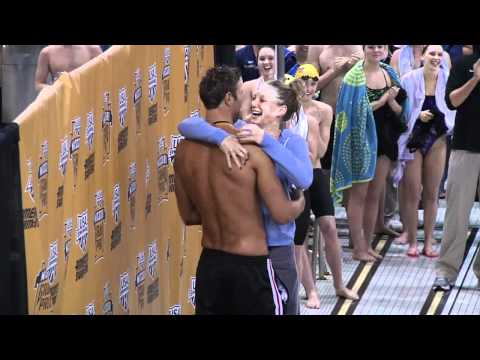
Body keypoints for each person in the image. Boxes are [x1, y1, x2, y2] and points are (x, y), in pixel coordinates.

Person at [174, 66, 305, 314]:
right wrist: (299, 203)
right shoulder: (251, 150)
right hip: (250, 268)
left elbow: (190, 216)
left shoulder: (183, 152)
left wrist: (221, 210)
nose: (249, 99)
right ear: (229, 98)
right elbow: (281, 213)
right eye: (244, 93)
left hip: (210, 264)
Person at [288, 65, 359, 306]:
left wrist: (310, 124)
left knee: (329, 226)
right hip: (297, 176)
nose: (308, 87)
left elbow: (320, 151)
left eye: (313, 82)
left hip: (316, 173)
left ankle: (340, 284)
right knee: (300, 236)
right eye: (304, 81)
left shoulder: (325, 111)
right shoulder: (287, 111)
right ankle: (312, 291)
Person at [331, 45, 409, 262]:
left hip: (384, 139)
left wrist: (391, 101)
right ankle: (358, 246)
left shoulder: (388, 73)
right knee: (359, 195)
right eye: (372, 47)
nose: (376, 50)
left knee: (375, 194)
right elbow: (350, 112)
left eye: (380, 47)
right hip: (360, 139)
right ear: (364, 49)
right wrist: (384, 100)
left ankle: (367, 243)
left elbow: (403, 108)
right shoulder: (354, 77)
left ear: (385, 49)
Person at [393, 45, 456, 257]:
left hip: (436, 140)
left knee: (431, 193)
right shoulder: (409, 79)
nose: (436, 58)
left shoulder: (448, 79)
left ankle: (428, 242)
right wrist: (417, 116)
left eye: (439, 54)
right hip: (413, 138)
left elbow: (452, 109)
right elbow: (401, 112)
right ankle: (412, 241)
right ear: (423, 57)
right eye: (432, 54)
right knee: (412, 193)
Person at [433, 45, 480, 291]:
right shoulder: (464, 64)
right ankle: (446, 271)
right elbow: (452, 102)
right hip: (466, 148)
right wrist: (475, 79)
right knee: (456, 214)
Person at [306, 45, 364, 170]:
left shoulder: (364, 47)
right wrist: (334, 71)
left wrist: (361, 67)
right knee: (327, 168)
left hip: (357, 116)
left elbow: (375, 77)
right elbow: (308, 87)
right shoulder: (317, 48)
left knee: (355, 172)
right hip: (329, 117)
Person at [35, 45, 102, 92]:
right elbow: (38, 84)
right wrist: (53, 89)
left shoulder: (93, 50)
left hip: (86, 102)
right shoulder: (47, 52)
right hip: (60, 103)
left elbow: (103, 79)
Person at [240, 46, 277, 118]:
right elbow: (244, 117)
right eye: (262, 59)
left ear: (277, 60)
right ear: (257, 62)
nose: (266, 62)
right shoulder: (248, 86)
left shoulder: (285, 84)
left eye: (271, 58)